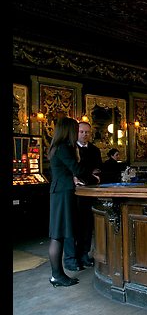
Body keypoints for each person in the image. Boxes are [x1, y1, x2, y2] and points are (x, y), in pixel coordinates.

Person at [47, 117, 85, 287]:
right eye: (76, 129)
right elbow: (77, 170)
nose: (77, 133)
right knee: (58, 235)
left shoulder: (57, 147)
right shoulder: (64, 147)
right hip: (62, 193)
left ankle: (58, 274)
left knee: (58, 234)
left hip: (59, 192)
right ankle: (57, 275)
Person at [64, 121, 102, 271]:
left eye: (87, 132)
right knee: (73, 226)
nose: (84, 134)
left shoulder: (95, 150)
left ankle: (84, 254)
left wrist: (89, 176)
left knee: (87, 225)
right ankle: (72, 257)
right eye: (81, 132)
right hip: (73, 194)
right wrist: (85, 175)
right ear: (76, 132)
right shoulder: (70, 148)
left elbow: (98, 169)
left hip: (90, 192)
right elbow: (72, 170)